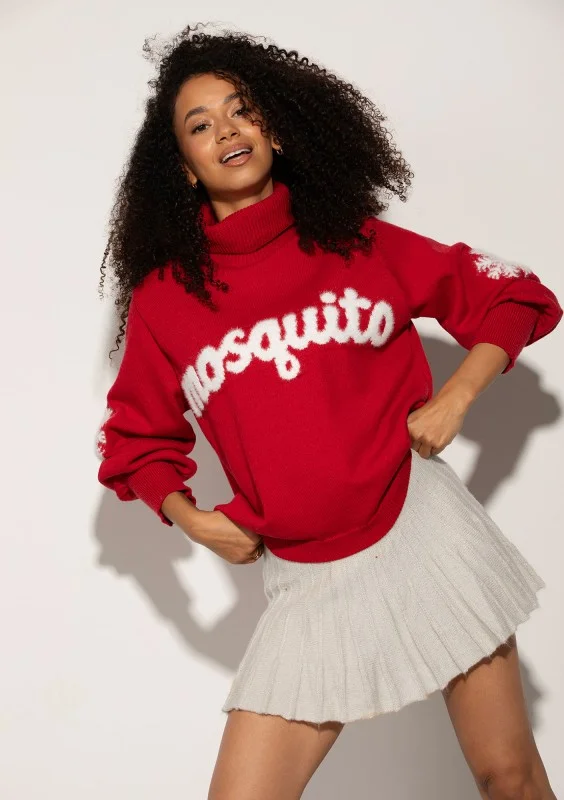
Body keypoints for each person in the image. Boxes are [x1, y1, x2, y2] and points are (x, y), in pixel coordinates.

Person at [96, 23, 562, 800]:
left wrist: (456, 395)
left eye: (242, 110)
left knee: (509, 777)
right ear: (182, 166)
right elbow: (135, 438)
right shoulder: (166, 300)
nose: (227, 131)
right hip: (305, 577)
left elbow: (514, 297)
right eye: (201, 126)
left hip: (421, 527)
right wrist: (191, 518)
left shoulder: (356, 242)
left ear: (274, 127)